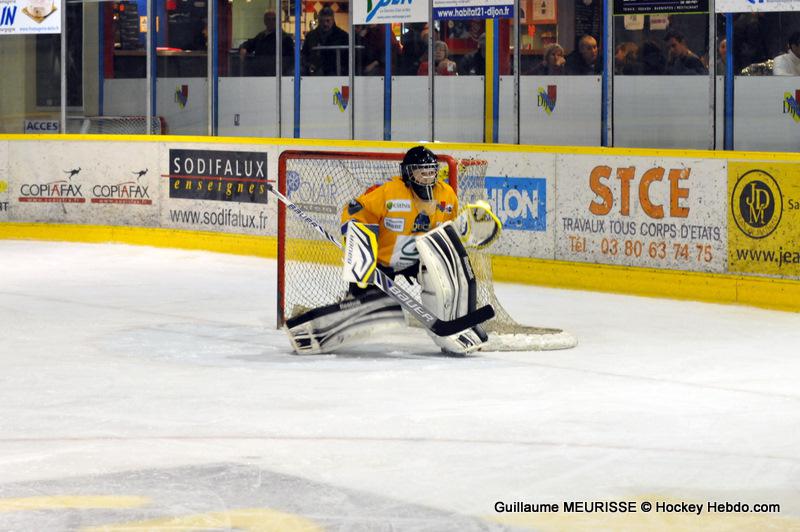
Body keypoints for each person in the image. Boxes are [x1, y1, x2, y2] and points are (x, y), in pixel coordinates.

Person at [284, 146, 500, 355]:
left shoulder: (446, 194)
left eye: (431, 171)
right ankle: (319, 330)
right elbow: (355, 211)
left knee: (454, 278)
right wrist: (359, 248)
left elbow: (448, 232)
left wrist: (466, 230)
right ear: (407, 173)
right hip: (382, 261)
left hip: (420, 259)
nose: (427, 176)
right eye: (420, 171)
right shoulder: (389, 192)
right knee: (366, 306)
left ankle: (460, 329)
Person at [238, 11, 295, 76]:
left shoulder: (285, 38)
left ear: (278, 21)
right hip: (259, 73)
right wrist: (244, 48)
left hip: (275, 75)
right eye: (268, 19)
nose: (271, 22)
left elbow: (290, 60)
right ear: (265, 21)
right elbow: (250, 43)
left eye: (274, 19)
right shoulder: (261, 36)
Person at [301, 6, 349, 76]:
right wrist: (309, 65)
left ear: (333, 20)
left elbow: (347, 57)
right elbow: (304, 55)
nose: (325, 24)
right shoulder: (311, 36)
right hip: (314, 72)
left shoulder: (343, 36)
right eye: (322, 21)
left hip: (336, 72)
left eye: (328, 21)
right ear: (319, 20)